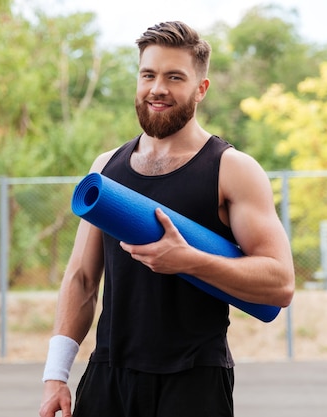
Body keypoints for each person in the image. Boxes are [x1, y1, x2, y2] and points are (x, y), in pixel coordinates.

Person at [39, 21, 295, 417]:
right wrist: (55, 375)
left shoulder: (232, 169)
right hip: (109, 376)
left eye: (175, 77)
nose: (158, 88)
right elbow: (82, 278)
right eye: (149, 75)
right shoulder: (106, 168)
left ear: (200, 88)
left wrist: (189, 259)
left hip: (194, 380)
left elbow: (280, 283)